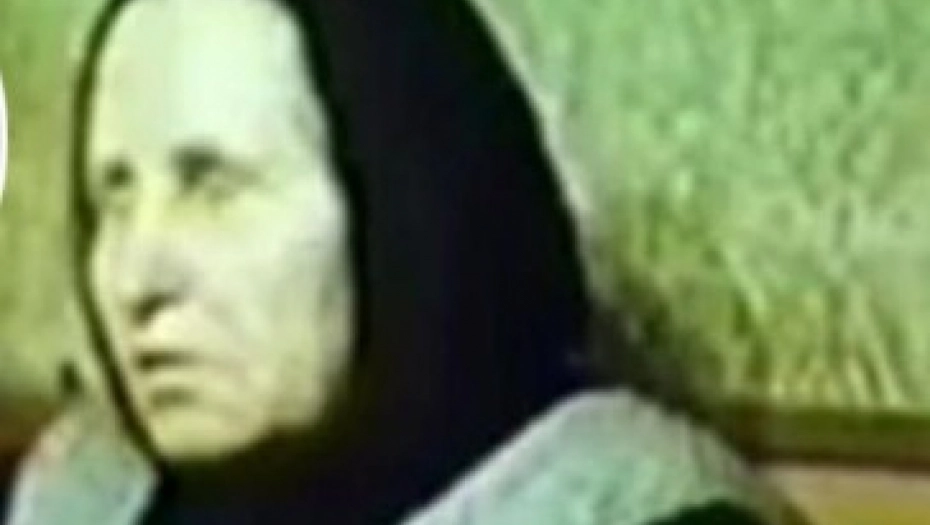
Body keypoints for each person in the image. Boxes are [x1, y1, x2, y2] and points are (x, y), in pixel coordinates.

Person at [3, 0, 801, 524]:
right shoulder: (85, 496)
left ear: (399, 203)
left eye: (215, 187)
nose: (136, 279)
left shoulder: (631, 509)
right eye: (110, 198)